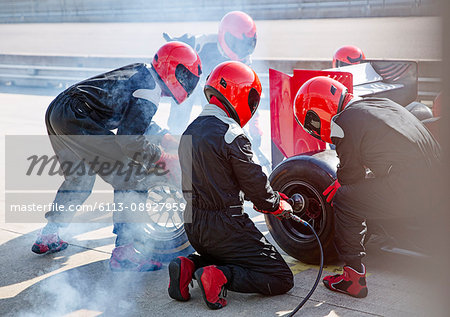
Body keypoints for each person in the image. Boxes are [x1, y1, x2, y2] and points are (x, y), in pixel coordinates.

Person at [32, 42, 202, 272]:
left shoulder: (143, 76)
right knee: (131, 176)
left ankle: (49, 234)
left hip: (59, 112)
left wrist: (165, 138)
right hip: (77, 115)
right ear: (174, 69)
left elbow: (135, 121)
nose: (187, 83)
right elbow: (129, 140)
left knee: (79, 179)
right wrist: (162, 157)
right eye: (187, 76)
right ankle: (125, 252)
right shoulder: (149, 91)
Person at [293, 76, 440, 298]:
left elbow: (351, 176)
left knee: (344, 198)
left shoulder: (344, 122)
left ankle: (353, 277)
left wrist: (341, 182)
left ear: (319, 112)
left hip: (414, 190)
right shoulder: (383, 104)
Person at [168, 61, 294, 309]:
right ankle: (220, 277)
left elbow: (211, 180)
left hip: (194, 225)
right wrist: (277, 204)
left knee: (224, 254)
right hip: (226, 227)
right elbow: (254, 183)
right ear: (241, 94)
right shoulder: (231, 133)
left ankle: (190, 266)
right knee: (281, 277)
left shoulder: (189, 132)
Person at [163, 11, 266, 170]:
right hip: (194, 84)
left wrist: (254, 126)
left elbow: (249, 92)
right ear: (225, 36)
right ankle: (172, 147)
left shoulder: (245, 59)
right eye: (239, 44)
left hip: (216, 90)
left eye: (248, 45)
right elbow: (183, 43)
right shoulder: (202, 42)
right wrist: (175, 44)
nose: (243, 50)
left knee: (230, 121)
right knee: (183, 98)